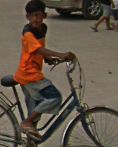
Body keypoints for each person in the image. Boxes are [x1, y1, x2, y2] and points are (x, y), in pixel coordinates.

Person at [14, 0, 75, 139]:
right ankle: (26, 122)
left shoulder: (43, 28)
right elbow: (38, 49)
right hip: (29, 74)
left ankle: (31, 143)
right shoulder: (28, 33)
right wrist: (62, 55)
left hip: (32, 73)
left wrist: (47, 58)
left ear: (45, 15)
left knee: (35, 111)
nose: (35, 19)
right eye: (32, 16)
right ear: (27, 17)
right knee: (54, 97)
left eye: (38, 15)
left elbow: (39, 49)